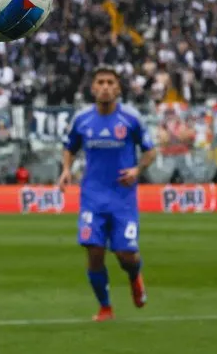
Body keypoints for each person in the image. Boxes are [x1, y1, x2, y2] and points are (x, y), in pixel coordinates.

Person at [59, 66, 156, 322]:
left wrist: (137, 169)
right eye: (100, 82)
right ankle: (105, 307)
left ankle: (135, 275)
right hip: (92, 197)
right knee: (94, 251)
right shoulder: (82, 120)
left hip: (123, 199)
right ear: (92, 88)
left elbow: (150, 151)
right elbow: (69, 147)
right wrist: (66, 170)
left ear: (118, 88)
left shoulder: (131, 119)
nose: (104, 87)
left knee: (126, 254)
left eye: (109, 82)